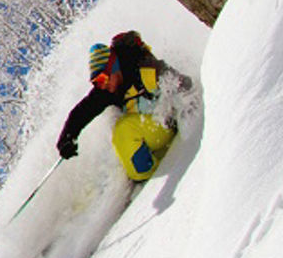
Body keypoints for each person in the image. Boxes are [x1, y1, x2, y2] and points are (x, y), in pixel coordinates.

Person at [56, 30, 187, 181]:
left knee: (123, 129)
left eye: (103, 78)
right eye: (96, 82)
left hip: (167, 124)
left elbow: (183, 85)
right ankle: (140, 162)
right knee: (116, 124)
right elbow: (82, 111)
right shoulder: (107, 91)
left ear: (114, 67)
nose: (102, 85)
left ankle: (148, 174)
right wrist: (67, 138)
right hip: (148, 130)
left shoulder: (146, 70)